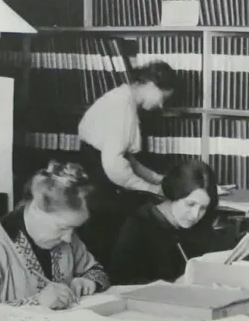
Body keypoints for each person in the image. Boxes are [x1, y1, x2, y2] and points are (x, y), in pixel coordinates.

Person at [0, 161, 109, 312]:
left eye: (73, 229)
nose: (69, 239)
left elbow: (96, 271)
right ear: (37, 208)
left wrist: (88, 282)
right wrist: (35, 302)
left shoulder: (67, 237)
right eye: (63, 228)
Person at [75, 61, 181, 259]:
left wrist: (158, 179)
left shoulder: (123, 98)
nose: (161, 105)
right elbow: (115, 167)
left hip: (100, 182)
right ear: (150, 85)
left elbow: (128, 159)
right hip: (99, 190)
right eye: (162, 98)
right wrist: (151, 190)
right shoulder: (121, 106)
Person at [107, 159, 219, 286]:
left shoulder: (201, 225)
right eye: (190, 204)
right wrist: (171, 286)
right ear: (173, 194)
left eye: (203, 208)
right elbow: (120, 281)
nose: (195, 215)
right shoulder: (139, 226)